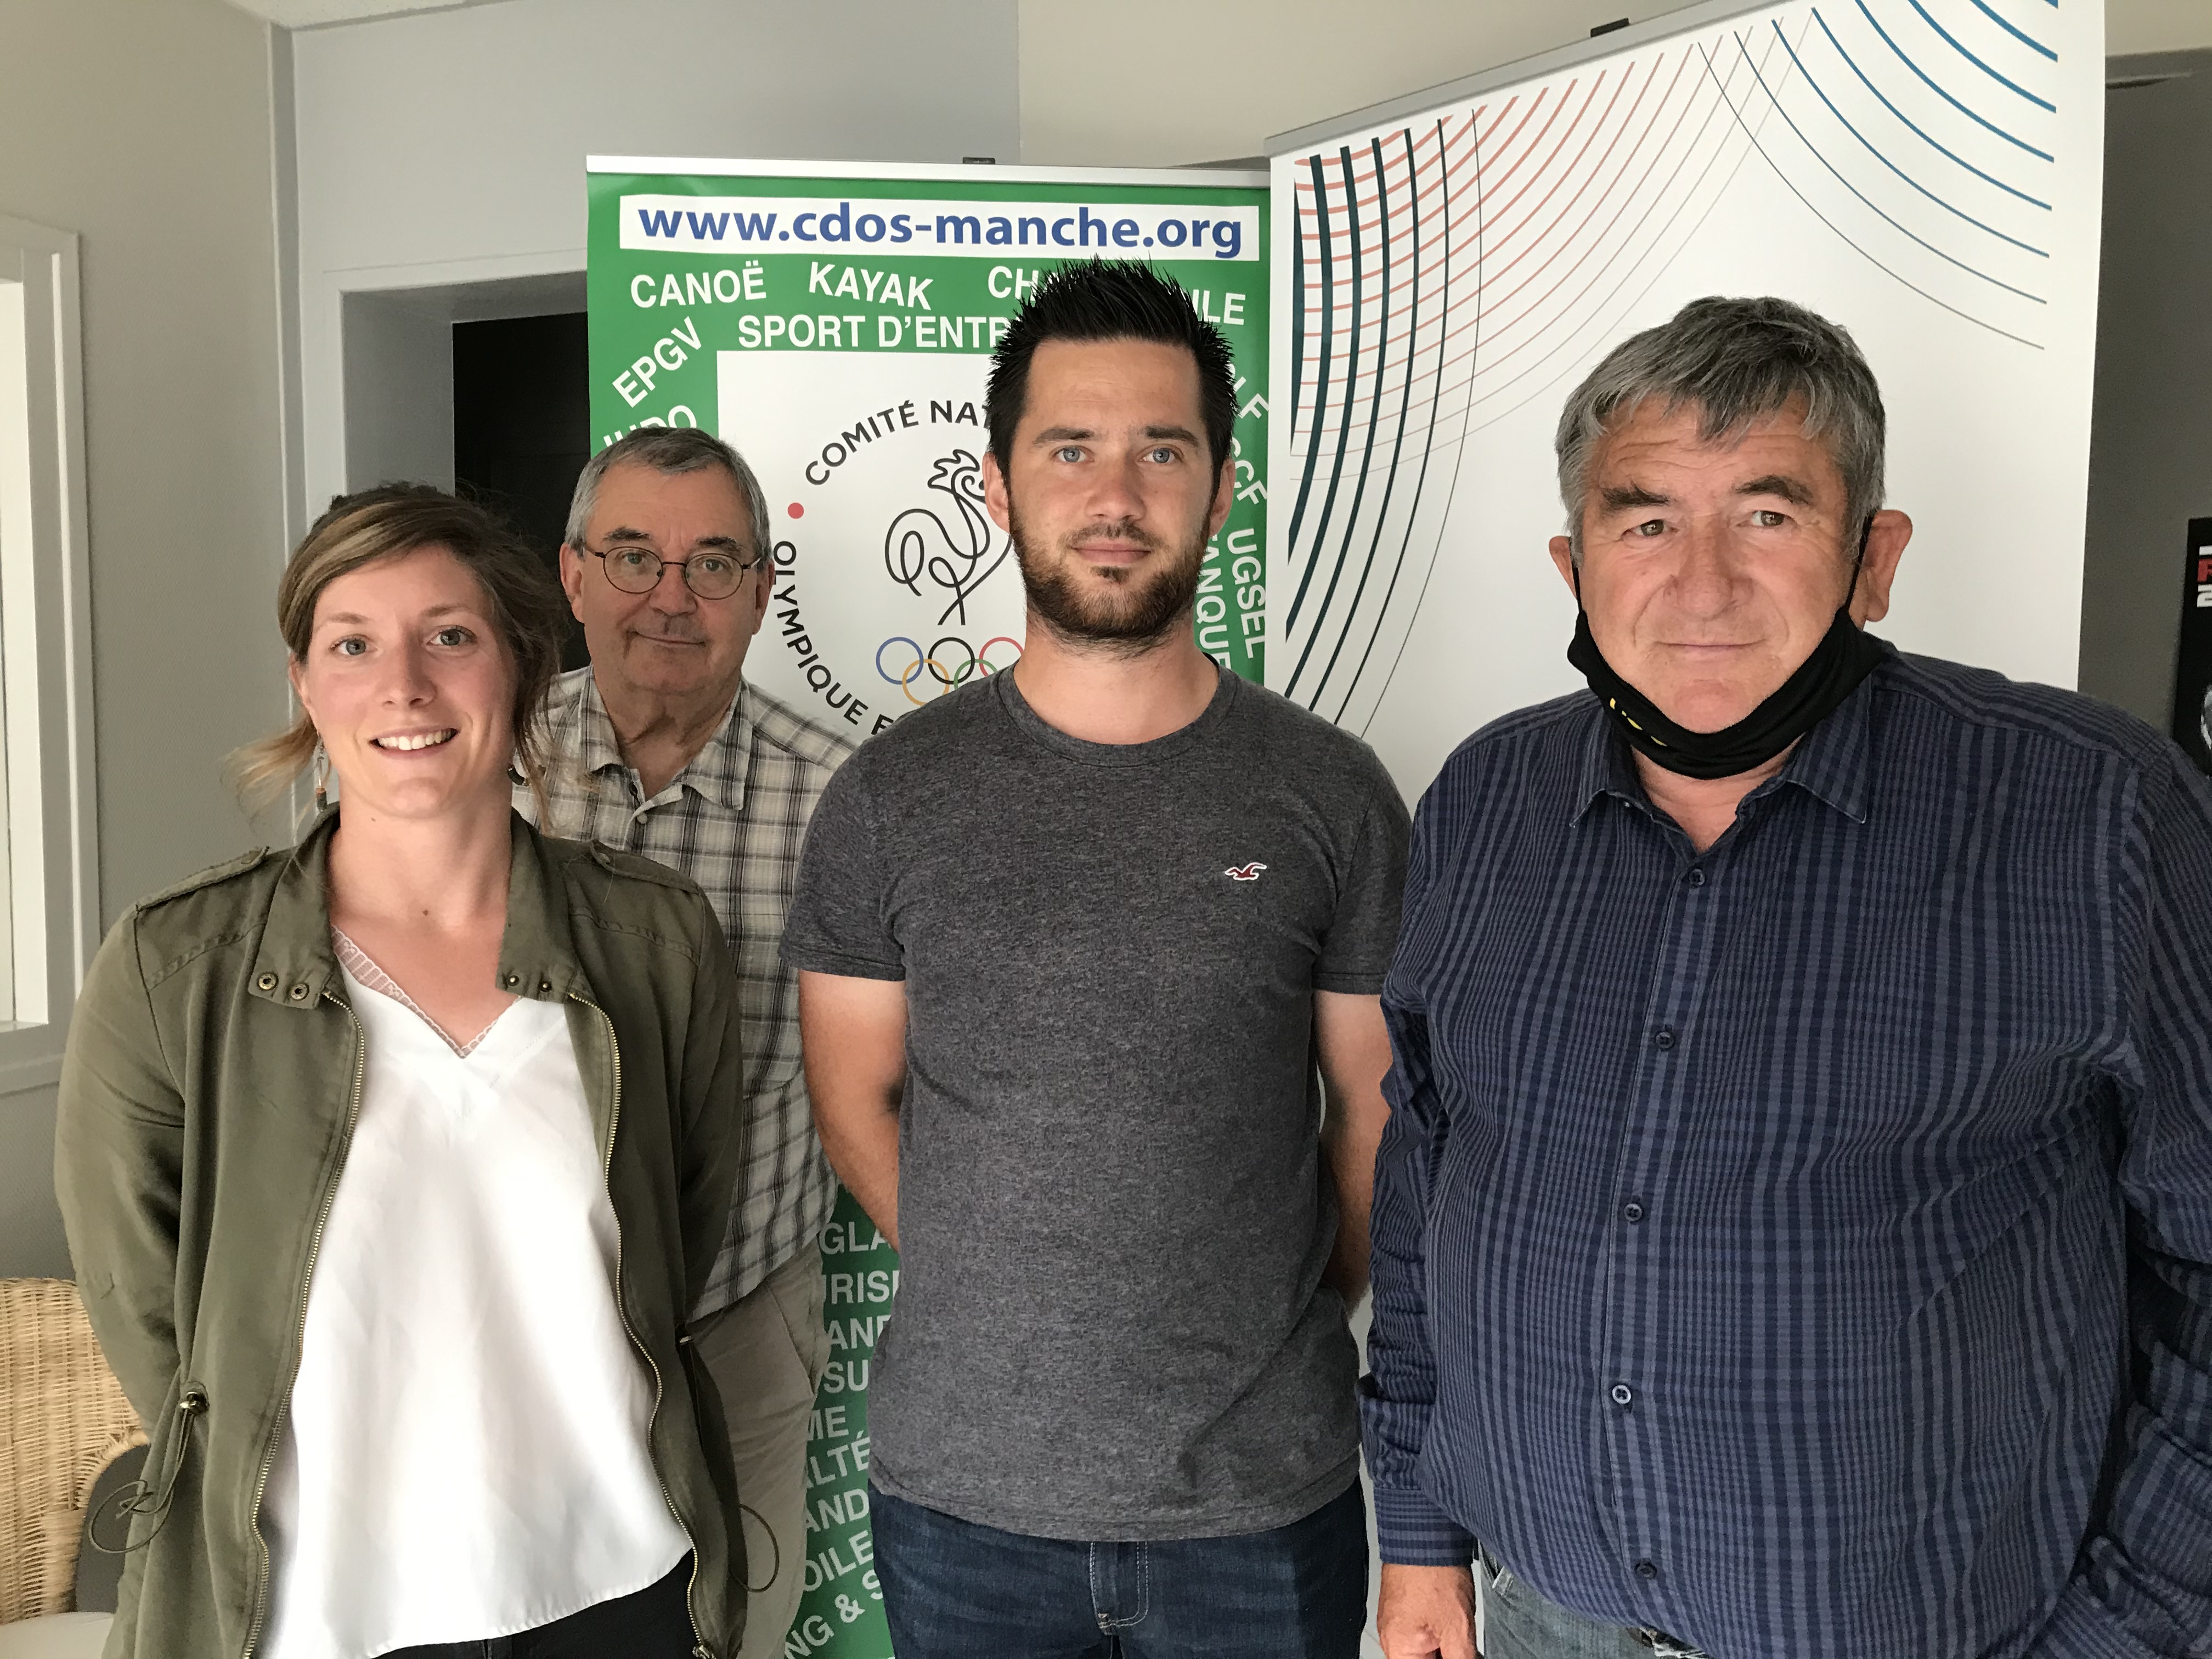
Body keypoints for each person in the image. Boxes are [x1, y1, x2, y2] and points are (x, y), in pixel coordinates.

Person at [1368, 297, 2212, 1659]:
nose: (1701, 586)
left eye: (1767, 516)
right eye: (1645, 522)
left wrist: (2131, 1634)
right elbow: (1429, 1170)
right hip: (1538, 1618)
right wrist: (1417, 1535)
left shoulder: (2097, 816)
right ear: (1572, 565)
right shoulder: (1484, 800)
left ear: (1872, 560)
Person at [783, 260, 1409, 1658]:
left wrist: (1279, 1306)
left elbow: (1375, 1114)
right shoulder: (889, 799)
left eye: (1160, 451)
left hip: (1259, 1504)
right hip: (966, 1508)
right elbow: (854, 1103)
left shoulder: (1331, 793)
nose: (1115, 494)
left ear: (1219, 488)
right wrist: (1008, 1284)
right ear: (999, 488)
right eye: (1071, 448)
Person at [57, 486, 749, 1659]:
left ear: (521, 669)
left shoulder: (655, 939)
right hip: (307, 1601)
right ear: (306, 684)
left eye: (451, 637)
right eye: (354, 644)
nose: (405, 686)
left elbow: (681, 1222)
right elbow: (150, 1308)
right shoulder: (179, 968)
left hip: (616, 1585)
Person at [521, 425, 853, 1657]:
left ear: (763, 591)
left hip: (740, 1334)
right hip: (511, 1340)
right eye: (633, 556)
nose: (672, 595)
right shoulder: (469, 768)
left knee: (735, 1635)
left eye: (714, 563)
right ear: (573, 576)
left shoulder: (843, 801)